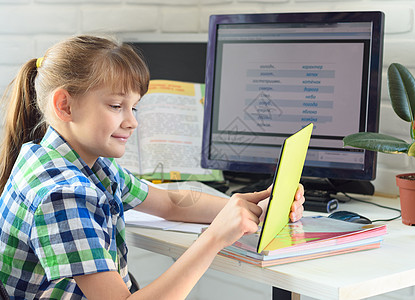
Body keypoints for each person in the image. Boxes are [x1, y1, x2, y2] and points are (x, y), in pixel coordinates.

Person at [0, 35, 305, 299]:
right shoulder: (62, 195)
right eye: (116, 106)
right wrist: (214, 238)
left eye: (134, 107)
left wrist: (247, 208)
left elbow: (172, 203)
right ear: (64, 105)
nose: (132, 122)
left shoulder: (77, 162)